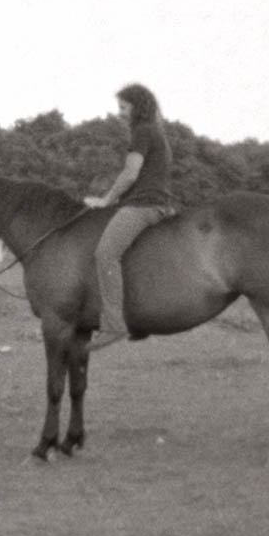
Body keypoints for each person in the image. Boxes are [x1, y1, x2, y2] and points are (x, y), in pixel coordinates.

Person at [84, 83, 175, 349]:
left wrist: (105, 200)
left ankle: (113, 325)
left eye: (123, 107)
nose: (120, 113)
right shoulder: (156, 131)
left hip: (144, 205)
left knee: (105, 255)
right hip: (158, 203)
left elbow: (130, 174)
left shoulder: (143, 131)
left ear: (138, 107)